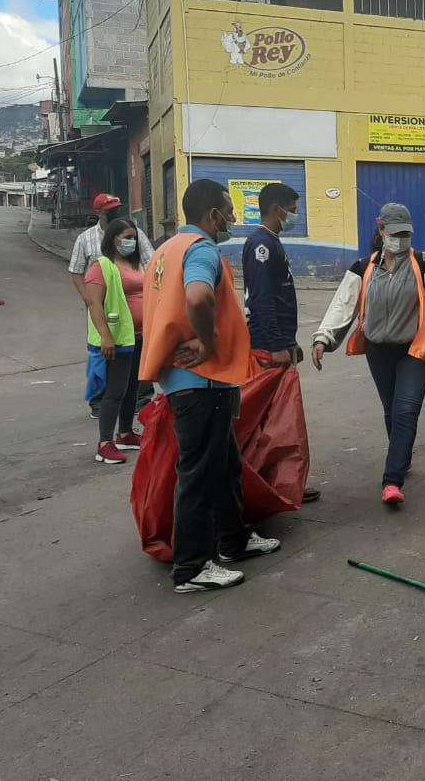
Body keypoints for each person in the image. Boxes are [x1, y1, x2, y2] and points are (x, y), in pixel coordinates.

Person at [139, 178, 280, 593]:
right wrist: (208, 341)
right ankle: (192, 567)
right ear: (211, 214)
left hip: (191, 381)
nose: (233, 217)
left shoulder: (165, 251)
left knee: (225, 464)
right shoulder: (201, 250)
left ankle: (234, 540)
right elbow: (198, 297)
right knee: (200, 472)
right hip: (202, 379)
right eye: (228, 209)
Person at [310, 203, 425, 505]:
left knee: (406, 409)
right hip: (378, 351)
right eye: (395, 232)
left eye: (405, 233)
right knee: (391, 408)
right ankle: (401, 455)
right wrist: (324, 337)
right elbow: (343, 306)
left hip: (416, 350)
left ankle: (392, 480)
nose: (400, 238)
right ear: (381, 229)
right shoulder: (363, 268)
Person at [243, 182, 320, 503]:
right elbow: (262, 301)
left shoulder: (272, 242)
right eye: (292, 208)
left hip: (278, 342)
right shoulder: (261, 244)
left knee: (281, 419)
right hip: (264, 347)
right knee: (269, 421)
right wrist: (277, 345)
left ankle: (283, 481)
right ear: (277, 209)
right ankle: (263, 485)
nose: (295, 215)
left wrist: (290, 341)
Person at [71, 194, 155, 418]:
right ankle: (99, 402)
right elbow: (77, 272)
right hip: (104, 311)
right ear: (99, 212)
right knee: (102, 356)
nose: (116, 212)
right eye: (111, 209)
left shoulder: (135, 235)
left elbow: (151, 263)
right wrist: (90, 300)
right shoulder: (86, 239)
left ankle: (139, 400)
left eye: (118, 208)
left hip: (134, 313)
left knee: (138, 355)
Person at [84, 218, 146, 464]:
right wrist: (106, 336)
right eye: (127, 237)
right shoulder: (102, 266)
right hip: (117, 339)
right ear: (113, 239)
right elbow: (94, 303)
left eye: (134, 238)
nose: (131, 242)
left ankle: (125, 433)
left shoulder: (135, 264)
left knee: (132, 388)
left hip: (137, 336)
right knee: (115, 391)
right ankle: (105, 444)